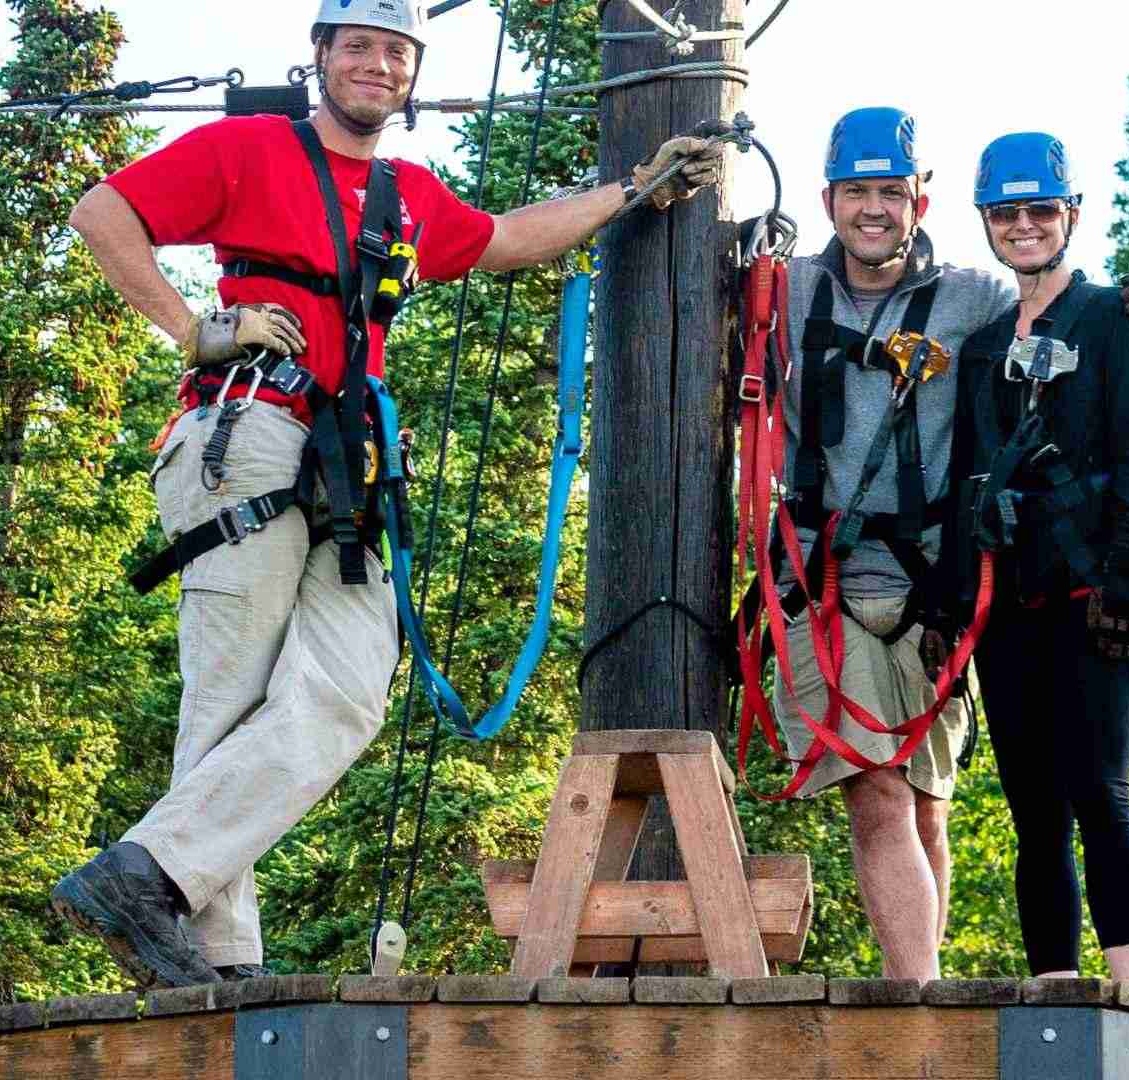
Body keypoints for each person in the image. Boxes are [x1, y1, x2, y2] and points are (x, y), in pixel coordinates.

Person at [50, 0, 724, 988]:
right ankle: (216, 953)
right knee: (232, 695)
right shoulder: (248, 150)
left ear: (412, 75)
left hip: (345, 460)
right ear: (320, 57)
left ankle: (146, 875)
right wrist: (194, 327)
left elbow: (507, 238)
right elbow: (103, 214)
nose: (378, 66)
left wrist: (634, 189)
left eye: (397, 53)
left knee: (349, 688)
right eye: (358, 46)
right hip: (250, 431)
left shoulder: (405, 195)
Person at [749, 109, 1129, 981]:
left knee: (945, 805)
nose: (874, 210)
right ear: (828, 198)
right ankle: (925, 1004)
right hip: (834, 576)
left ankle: (1070, 995)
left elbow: (1115, 405)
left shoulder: (977, 304)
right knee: (892, 795)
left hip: (950, 590)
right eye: (857, 192)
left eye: (892, 193)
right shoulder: (781, 289)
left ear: (925, 201)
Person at [948, 132, 1129, 984]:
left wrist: (1126, 563)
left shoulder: (1119, 318)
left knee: (1101, 796)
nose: (1026, 226)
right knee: (1034, 817)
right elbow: (967, 472)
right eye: (1008, 213)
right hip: (1010, 609)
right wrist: (952, 599)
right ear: (988, 223)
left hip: (1094, 592)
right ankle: (1055, 996)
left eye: (1042, 210)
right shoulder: (984, 345)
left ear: (1071, 215)